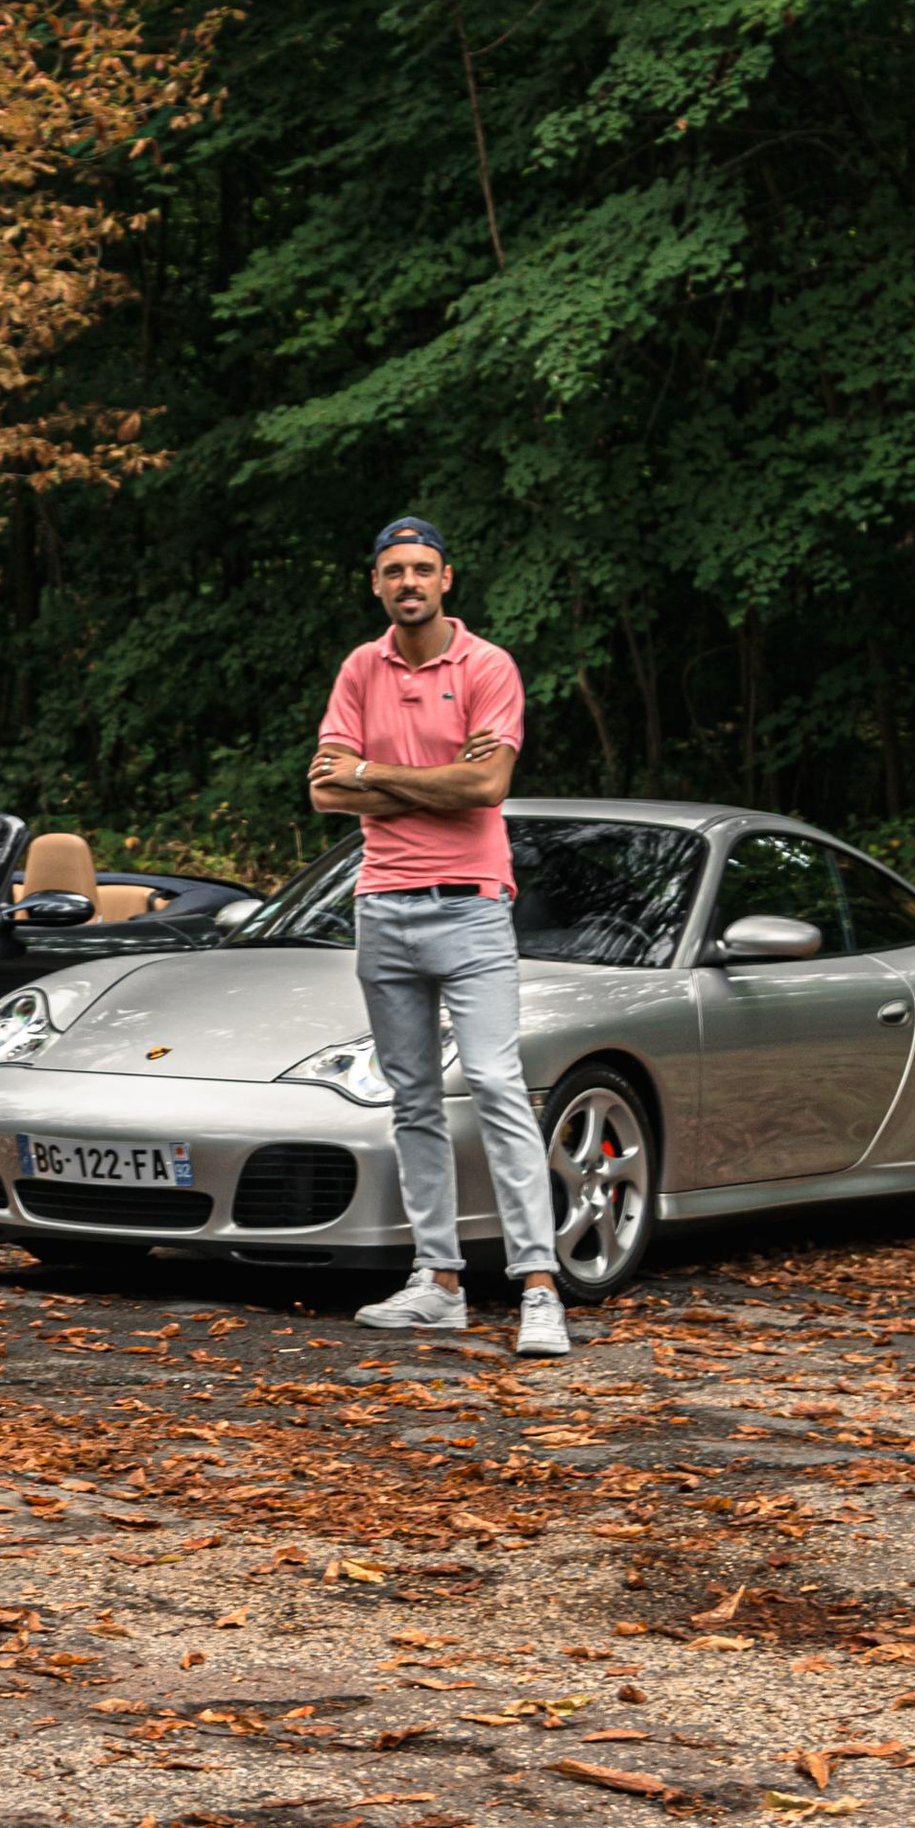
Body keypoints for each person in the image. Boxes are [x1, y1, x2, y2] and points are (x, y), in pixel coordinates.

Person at [310, 517, 569, 1358]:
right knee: (413, 1099)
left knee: (496, 1083)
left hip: (471, 906)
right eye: (394, 571)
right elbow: (323, 793)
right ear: (377, 583)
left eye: (422, 569)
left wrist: (374, 776)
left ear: (447, 578)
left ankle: (538, 1287)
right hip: (381, 905)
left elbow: (488, 784)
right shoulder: (361, 667)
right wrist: (437, 784)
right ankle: (439, 1283)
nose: (408, 582)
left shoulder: (487, 666)